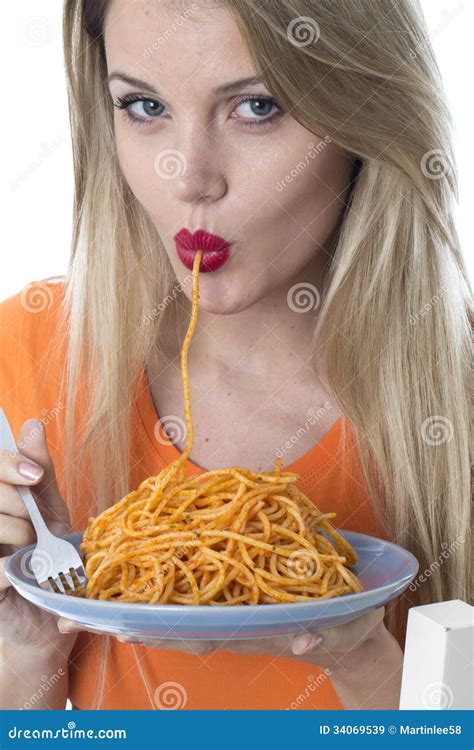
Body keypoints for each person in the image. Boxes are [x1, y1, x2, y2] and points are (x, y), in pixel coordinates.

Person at [0, 0, 471, 710]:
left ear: (364, 114)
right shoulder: (28, 352)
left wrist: (367, 665)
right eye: (143, 105)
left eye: (257, 106)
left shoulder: (455, 402)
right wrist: (28, 644)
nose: (187, 177)